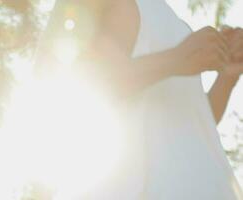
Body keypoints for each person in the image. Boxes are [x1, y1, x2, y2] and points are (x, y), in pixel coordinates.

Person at [34, 0, 243, 199]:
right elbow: (54, 81)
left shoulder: (176, 22)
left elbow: (193, 123)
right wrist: (174, 59)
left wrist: (228, 76)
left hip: (203, 188)